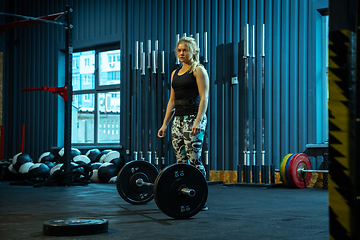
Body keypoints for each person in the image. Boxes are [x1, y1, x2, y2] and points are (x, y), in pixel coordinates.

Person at [157, 36, 209, 210]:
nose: (181, 53)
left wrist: (198, 121)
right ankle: (185, 194)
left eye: (184, 50)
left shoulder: (198, 70)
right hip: (178, 121)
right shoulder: (174, 73)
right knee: (181, 161)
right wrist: (165, 124)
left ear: (193, 51)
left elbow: (204, 98)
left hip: (192, 119)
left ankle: (201, 198)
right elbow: (172, 101)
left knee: (194, 160)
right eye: (179, 50)